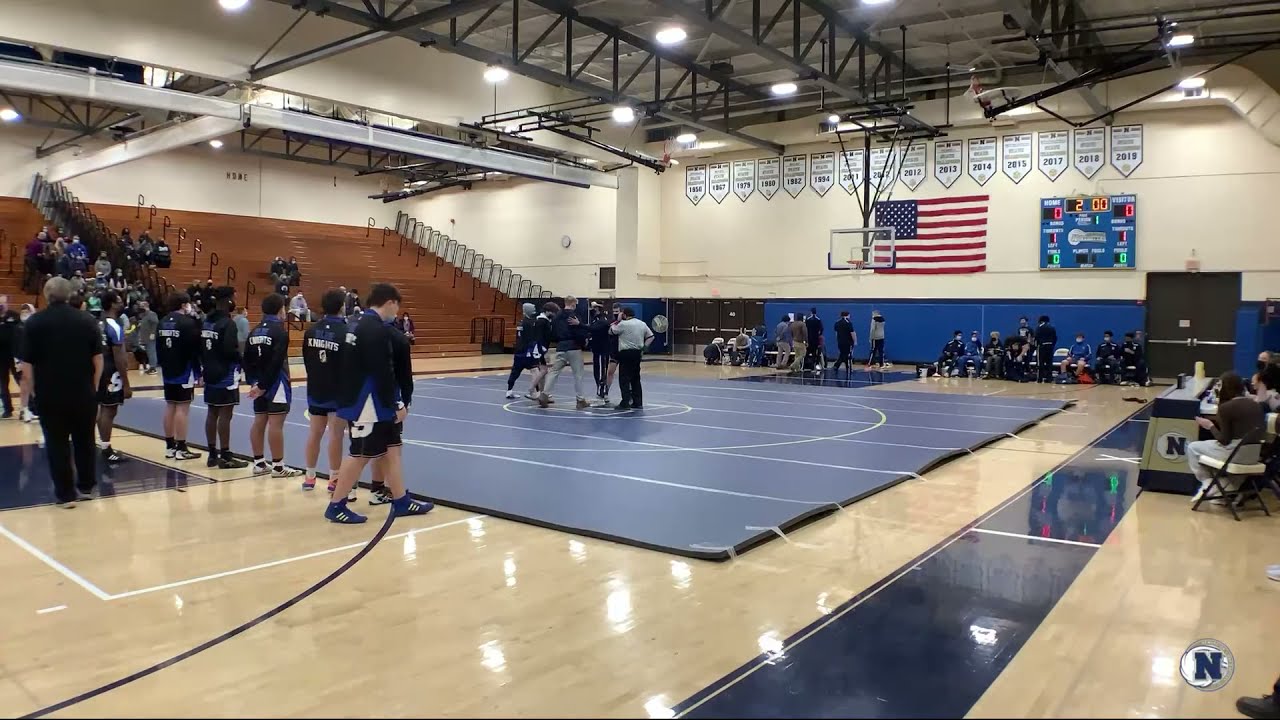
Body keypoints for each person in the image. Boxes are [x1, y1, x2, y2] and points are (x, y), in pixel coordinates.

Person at [325, 283, 433, 524]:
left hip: (369, 400)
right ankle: (336, 504)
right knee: (361, 453)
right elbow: (382, 371)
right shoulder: (375, 329)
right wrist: (396, 403)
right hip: (368, 404)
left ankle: (401, 499)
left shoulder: (355, 324)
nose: (397, 313)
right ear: (390, 303)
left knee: (392, 448)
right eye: (397, 307)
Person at [19, 277, 102, 508]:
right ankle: (86, 487)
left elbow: (27, 366)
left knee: (57, 444)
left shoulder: (34, 323)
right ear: (69, 294)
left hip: (49, 394)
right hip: (83, 392)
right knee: (85, 441)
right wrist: (92, 387)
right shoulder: (87, 320)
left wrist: (33, 392)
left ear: (46, 294)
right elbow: (98, 360)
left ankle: (65, 496)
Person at [243, 293, 304, 478]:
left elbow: (247, 360)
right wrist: (262, 385)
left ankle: (259, 463)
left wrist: (254, 382)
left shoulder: (254, 331)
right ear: (280, 310)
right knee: (276, 424)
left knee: (259, 421)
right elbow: (276, 362)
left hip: (258, 382)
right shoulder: (280, 332)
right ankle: (278, 466)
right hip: (275, 384)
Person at [1188, 371, 1265, 503]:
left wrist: (1210, 426)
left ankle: (1208, 484)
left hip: (1235, 454)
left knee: (1192, 447)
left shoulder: (1226, 408)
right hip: (1254, 454)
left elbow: (1224, 440)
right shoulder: (1255, 404)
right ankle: (1224, 488)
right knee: (1212, 448)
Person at [302, 290, 351, 495]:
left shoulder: (311, 330)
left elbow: (306, 359)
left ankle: (309, 477)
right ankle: (334, 478)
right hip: (337, 391)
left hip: (316, 388)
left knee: (314, 432)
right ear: (341, 306)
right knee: (336, 435)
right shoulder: (345, 332)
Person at [201, 288, 248, 470]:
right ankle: (225, 455)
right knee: (225, 414)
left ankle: (212, 454)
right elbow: (230, 350)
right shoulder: (227, 323)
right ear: (227, 300)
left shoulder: (207, 321)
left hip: (210, 370)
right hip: (225, 373)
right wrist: (242, 361)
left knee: (212, 412)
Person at [156, 292, 202, 461]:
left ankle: (170, 446)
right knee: (182, 407)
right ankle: (181, 447)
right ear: (184, 305)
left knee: (170, 405)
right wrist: (198, 371)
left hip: (168, 369)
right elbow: (194, 350)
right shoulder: (187, 323)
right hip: (183, 369)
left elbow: (159, 348)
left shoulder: (162, 322)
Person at [94, 290, 132, 464]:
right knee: (109, 410)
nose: (121, 303)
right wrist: (126, 383)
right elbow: (119, 357)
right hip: (111, 373)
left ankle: (103, 445)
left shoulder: (97, 323)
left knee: (102, 408)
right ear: (112, 304)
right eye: (118, 301)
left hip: (98, 370)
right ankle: (107, 449)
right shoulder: (114, 326)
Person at [538, 295, 591, 410]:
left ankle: (544, 394)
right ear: (573, 304)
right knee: (578, 374)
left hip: (561, 346)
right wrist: (583, 341)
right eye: (575, 304)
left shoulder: (556, 317)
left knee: (554, 371)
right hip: (573, 347)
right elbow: (579, 332)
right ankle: (580, 399)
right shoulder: (574, 316)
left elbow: (553, 333)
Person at [610, 306, 654, 410]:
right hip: (637, 353)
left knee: (624, 378)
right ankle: (637, 402)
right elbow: (651, 336)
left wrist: (618, 320)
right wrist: (644, 348)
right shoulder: (642, 324)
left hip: (625, 353)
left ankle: (625, 402)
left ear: (624, 314)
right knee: (635, 378)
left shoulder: (622, 324)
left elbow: (611, 331)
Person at [506, 303, 543, 399]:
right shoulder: (531, 323)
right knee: (535, 370)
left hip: (519, 351)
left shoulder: (521, 322)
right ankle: (536, 392)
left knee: (515, 371)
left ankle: (509, 391)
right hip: (528, 351)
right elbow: (533, 337)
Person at [589, 304, 612, 398]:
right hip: (596, 348)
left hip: (602, 348)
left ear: (597, 308)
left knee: (602, 369)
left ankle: (601, 389)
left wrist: (580, 325)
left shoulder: (603, 319)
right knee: (597, 369)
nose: (591, 309)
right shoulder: (594, 318)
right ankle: (600, 388)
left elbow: (594, 328)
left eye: (593, 307)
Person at [0, 310, 19, 418]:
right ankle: (8, 409)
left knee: (20, 380)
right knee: (3, 383)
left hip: (15, 354)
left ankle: (29, 407)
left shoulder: (13, 315)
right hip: (1, 357)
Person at [136, 300, 159, 374]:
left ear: (146, 306)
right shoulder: (143, 315)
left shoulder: (152, 314)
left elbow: (155, 324)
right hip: (145, 337)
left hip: (150, 336)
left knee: (151, 352)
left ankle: (153, 368)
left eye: (142, 306)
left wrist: (153, 333)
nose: (140, 308)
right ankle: (151, 366)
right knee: (149, 353)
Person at [1034, 315, 1057, 383]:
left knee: (1040, 363)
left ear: (1041, 321)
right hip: (1050, 346)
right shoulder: (1052, 327)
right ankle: (1049, 378)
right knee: (1049, 363)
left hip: (1042, 346)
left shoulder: (1039, 327)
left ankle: (1039, 378)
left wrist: (1037, 345)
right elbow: (1055, 338)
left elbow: (1036, 337)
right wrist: (1052, 345)